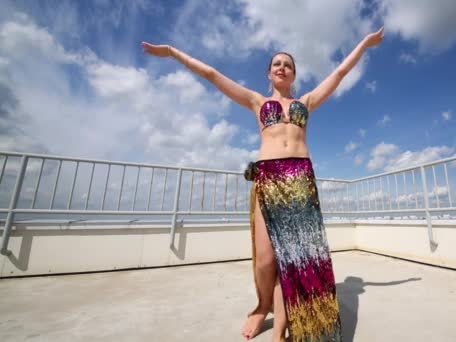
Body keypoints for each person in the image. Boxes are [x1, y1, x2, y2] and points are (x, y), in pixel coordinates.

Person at [142, 26, 383, 342]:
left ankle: (280, 329)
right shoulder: (257, 101)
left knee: (291, 259)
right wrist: (173, 53)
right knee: (267, 258)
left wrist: (364, 43)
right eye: (276, 64)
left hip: (300, 179)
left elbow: (339, 73)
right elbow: (213, 75)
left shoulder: (306, 102)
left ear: (294, 75)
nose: (282, 68)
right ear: (269, 74)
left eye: (288, 65)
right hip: (268, 177)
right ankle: (261, 307)